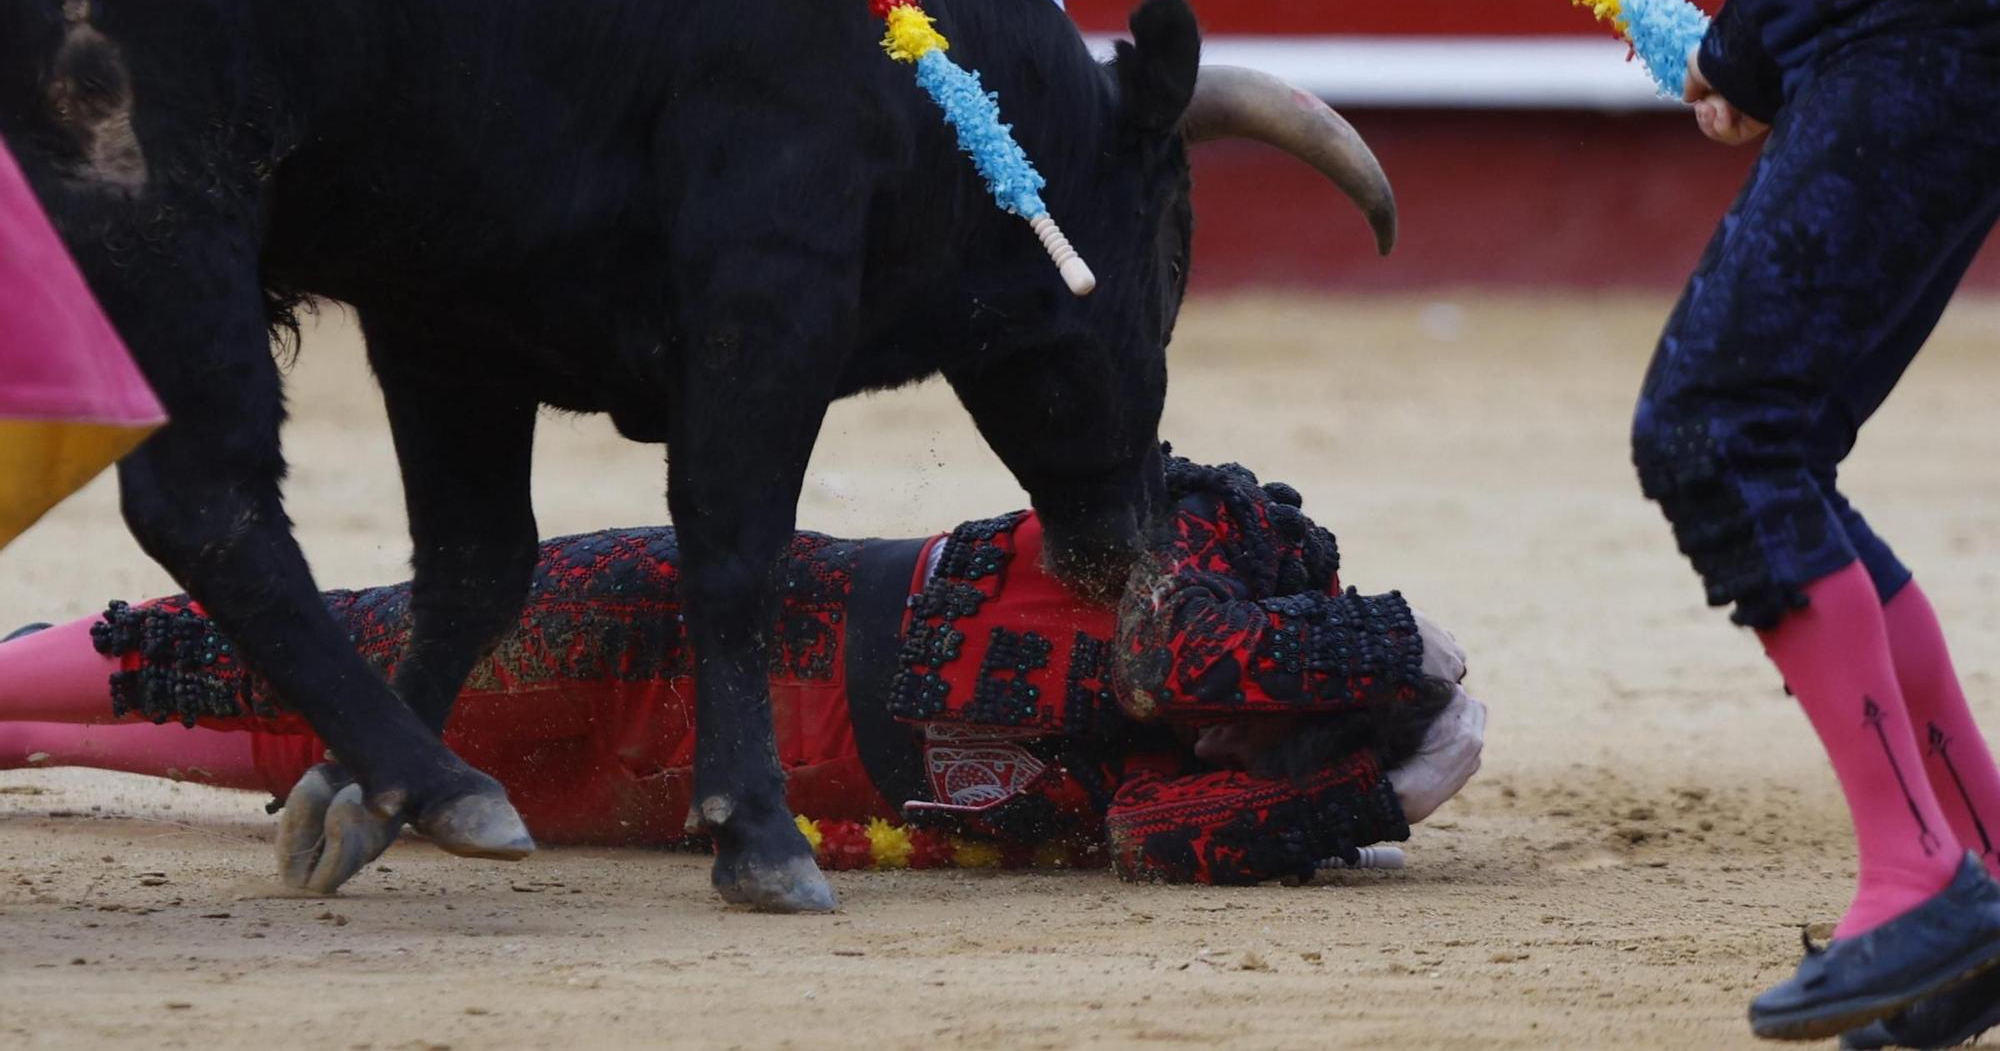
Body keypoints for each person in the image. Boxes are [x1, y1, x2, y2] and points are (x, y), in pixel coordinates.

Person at [0, 454, 1484, 889]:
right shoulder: (1230, 537)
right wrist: (1381, 647)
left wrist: (1361, 801)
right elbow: (1172, 656)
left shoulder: (1225, 783)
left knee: (364, 741)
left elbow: (1145, 832)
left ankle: (33, 743)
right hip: (702, 625)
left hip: (723, 782)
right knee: (347, 651)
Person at [1622, 0, 2000, 1042]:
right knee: (1762, 430)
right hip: (1883, 7)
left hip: (1930, 16)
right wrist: (1757, 42)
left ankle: (1916, 873)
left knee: (1718, 427)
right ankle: (1981, 861)